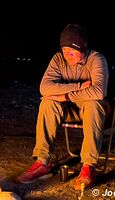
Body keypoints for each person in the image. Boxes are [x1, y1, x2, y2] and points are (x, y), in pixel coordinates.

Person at [17, 23, 109, 191]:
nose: (68, 54)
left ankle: (88, 165)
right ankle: (43, 161)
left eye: (72, 49)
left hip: (93, 111)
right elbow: (45, 88)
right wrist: (79, 86)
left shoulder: (96, 59)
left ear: (83, 46)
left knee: (94, 104)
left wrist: (65, 95)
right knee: (47, 102)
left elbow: (98, 91)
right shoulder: (58, 60)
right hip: (70, 109)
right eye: (65, 49)